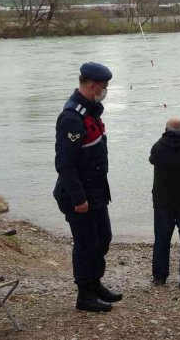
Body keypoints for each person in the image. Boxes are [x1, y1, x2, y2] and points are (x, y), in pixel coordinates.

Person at [53, 62, 123, 312]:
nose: (105, 91)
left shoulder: (91, 111)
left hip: (97, 191)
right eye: (104, 87)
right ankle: (84, 294)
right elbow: (64, 163)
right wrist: (78, 198)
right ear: (93, 86)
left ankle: (95, 283)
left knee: (103, 238)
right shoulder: (72, 117)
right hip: (78, 194)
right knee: (86, 244)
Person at [149, 117, 180, 289]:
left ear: (165, 130)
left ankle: (160, 277)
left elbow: (152, 160)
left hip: (163, 201)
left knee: (162, 239)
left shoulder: (158, 148)